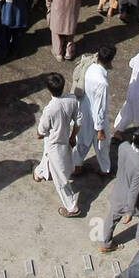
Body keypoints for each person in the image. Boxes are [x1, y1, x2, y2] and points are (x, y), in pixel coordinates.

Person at [96, 124, 139, 252]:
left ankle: (106, 243)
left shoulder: (123, 146)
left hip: (118, 191)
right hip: (131, 200)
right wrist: (130, 211)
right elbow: (134, 191)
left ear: (134, 137)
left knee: (112, 217)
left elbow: (128, 166)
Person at [34, 72, 81, 218]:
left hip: (54, 143)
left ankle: (72, 207)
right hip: (65, 138)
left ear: (48, 89)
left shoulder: (49, 109)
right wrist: (73, 136)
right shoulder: (72, 100)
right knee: (49, 157)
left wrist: (39, 134)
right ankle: (40, 172)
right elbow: (78, 121)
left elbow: (41, 131)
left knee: (61, 179)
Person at [74, 44, 115, 177]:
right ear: (110, 60)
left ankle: (77, 166)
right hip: (95, 119)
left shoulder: (89, 67)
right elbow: (100, 109)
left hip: (83, 112)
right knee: (102, 146)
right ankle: (105, 169)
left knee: (81, 141)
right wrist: (100, 129)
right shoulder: (102, 83)